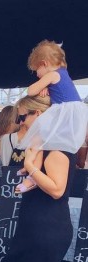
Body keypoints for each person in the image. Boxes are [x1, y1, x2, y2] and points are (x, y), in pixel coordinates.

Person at [1, 97, 75, 262]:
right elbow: (38, 183)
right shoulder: (44, 147)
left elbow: (57, 189)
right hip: (37, 225)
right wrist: (28, 177)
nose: (21, 123)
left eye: (23, 117)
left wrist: (31, 167)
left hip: (50, 227)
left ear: (40, 116)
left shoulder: (57, 150)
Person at [16, 40, 88, 193]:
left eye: (37, 70)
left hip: (62, 114)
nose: (37, 75)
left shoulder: (53, 74)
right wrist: (47, 87)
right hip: (69, 117)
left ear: (44, 63)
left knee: (38, 141)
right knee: (40, 142)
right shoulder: (63, 73)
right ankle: (32, 173)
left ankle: (31, 172)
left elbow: (31, 91)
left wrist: (42, 84)